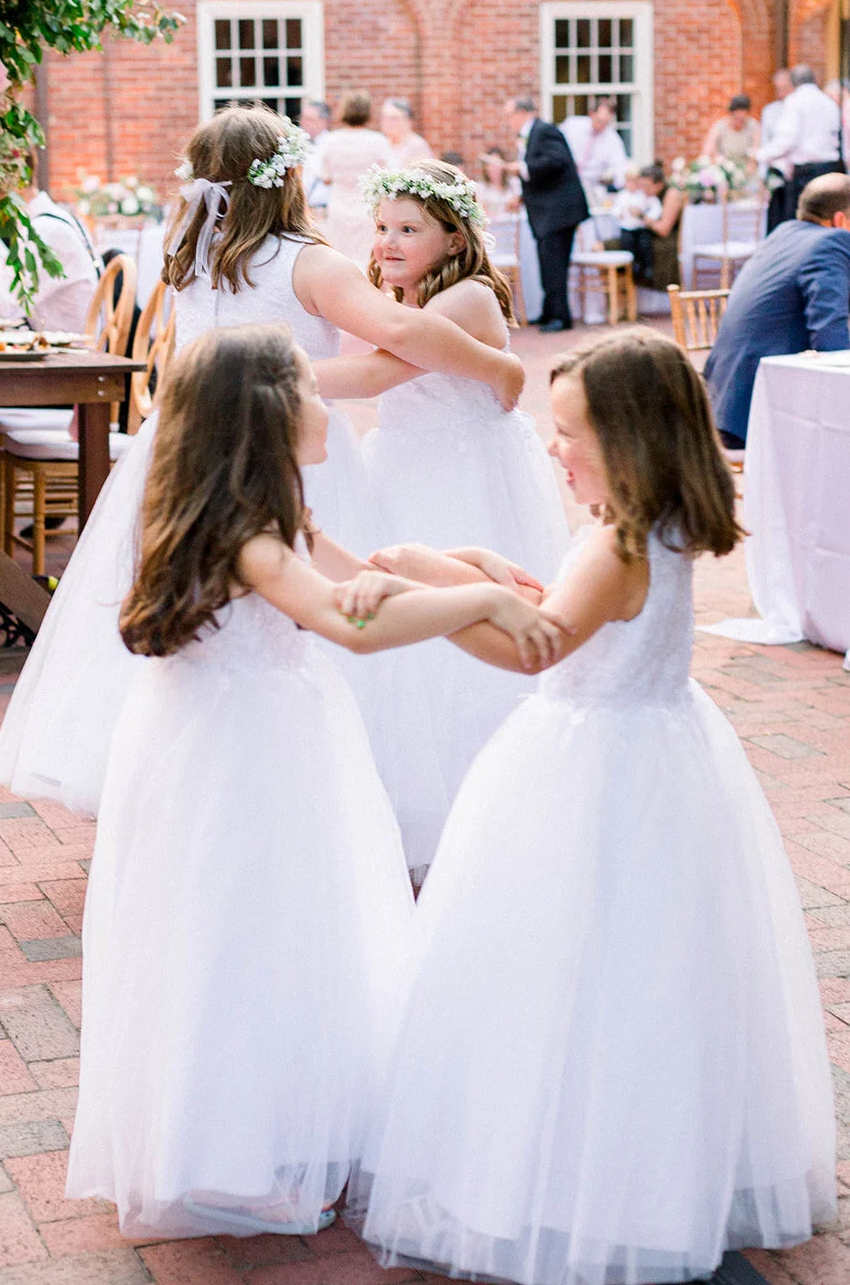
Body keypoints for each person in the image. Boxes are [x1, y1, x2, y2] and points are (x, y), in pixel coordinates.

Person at [347, 329, 837, 1284]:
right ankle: (655, 1157)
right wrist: (473, 572)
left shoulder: (614, 547)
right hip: (658, 751)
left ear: (628, 436)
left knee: (568, 958)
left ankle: (568, 1168)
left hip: (591, 763)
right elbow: (543, 599)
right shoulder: (649, 528)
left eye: (567, 430)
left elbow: (534, 647)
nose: (550, 446)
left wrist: (420, 600)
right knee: (650, 964)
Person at [64, 324, 565, 1241]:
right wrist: (484, 605)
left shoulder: (274, 513)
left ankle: (285, 1125)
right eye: (305, 386)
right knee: (241, 935)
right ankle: (230, 1148)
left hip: (273, 732)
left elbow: (366, 575)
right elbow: (351, 624)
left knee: (297, 928)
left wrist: (466, 566)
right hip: (236, 753)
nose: (321, 397)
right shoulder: (244, 536)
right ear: (263, 416)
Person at [0, 106, 525, 817]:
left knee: (204, 609)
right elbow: (397, 328)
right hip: (284, 449)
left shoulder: (193, 255)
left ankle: (185, 779)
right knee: (304, 609)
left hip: (183, 444)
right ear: (287, 176)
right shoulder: (307, 259)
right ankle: (318, 790)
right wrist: (495, 362)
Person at [317, 161, 569, 871]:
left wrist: (253, 365)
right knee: (412, 626)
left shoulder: (461, 301)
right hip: (406, 464)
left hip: (458, 473)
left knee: (450, 637)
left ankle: (477, 804)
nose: (386, 243)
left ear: (454, 239)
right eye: (381, 228)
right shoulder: (406, 295)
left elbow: (374, 376)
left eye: (408, 230)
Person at [704, 171, 850, 449]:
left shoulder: (781, 235)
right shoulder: (831, 243)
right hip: (759, 413)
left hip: (721, 404)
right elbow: (831, 338)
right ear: (840, 220)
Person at [0, 186, 101, 333]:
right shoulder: (50, 219)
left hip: (72, 351)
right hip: (51, 344)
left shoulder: (46, 230)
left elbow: (2, 309)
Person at [504, 95, 588, 332]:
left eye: (509, 115)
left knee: (555, 264)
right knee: (548, 262)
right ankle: (550, 310)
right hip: (549, 212)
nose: (508, 121)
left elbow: (557, 161)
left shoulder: (544, 130)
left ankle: (561, 317)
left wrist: (522, 168)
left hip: (558, 212)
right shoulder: (533, 134)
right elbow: (546, 177)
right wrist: (522, 196)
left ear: (522, 112)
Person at [756, 64, 843, 229]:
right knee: (827, 223)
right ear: (814, 80)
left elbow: (787, 140)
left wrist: (761, 155)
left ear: (793, 83)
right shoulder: (828, 101)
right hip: (831, 168)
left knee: (801, 225)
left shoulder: (795, 101)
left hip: (806, 174)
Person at [318, 91, 391, 266]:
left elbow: (324, 177)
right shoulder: (378, 141)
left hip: (338, 207)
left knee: (340, 257)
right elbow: (389, 175)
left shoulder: (330, 140)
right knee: (366, 256)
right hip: (366, 206)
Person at [611, 161, 684, 290]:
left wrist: (641, 216)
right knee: (606, 245)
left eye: (647, 186)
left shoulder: (671, 194)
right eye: (642, 186)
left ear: (659, 185)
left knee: (612, 248)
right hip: (637, 233)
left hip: (660, 240)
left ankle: (623, 291)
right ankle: (618, 296)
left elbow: (663, 230)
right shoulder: (640, 195)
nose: (644, 190)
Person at [558, 96, 628, 191]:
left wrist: (619, 186)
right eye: (599, 121)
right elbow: (555, 145)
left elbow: (619, 165)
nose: (601, 126)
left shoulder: (613, 139)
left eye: (605, 123)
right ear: (591, 113)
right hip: (564, 180)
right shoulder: (572, 125)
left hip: (592, 186)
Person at [759, 67, 794, 233]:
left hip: (795, 175)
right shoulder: (770, 111)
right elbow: (765, 143)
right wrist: (762, 177)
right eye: (778, 89)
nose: (781, 94)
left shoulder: (799, 109)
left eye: (784, 89)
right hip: (776, 174)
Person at [701, 93, 760, 165]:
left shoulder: (753, 126)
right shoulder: (719, 126)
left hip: (746, 167)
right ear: (730, 114)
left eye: (742, 119)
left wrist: (752, 162)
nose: (739, 122)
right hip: (724, 166)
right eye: (736, 118)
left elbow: (756, 148)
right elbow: (708, 148)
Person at [379, 97, 433, 168]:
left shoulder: (417, 146)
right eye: (384, 118)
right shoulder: (380, 143)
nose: (388, 123)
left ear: (408, 121)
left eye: (393, 118)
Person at [300, 98, 330, 213]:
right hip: (301, 210)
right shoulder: (295, 142)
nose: (304, 123)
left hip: (322, 209)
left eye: (310, 119)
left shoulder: (331, 144)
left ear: (323, 122)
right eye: (303, 118)